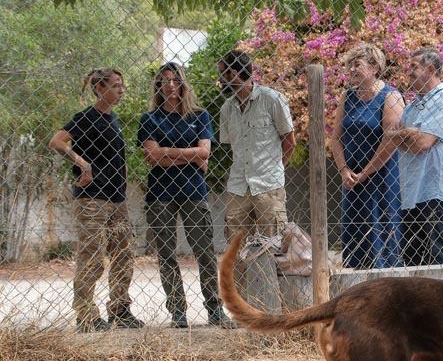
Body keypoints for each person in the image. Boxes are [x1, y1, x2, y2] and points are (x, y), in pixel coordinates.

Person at [138, 62, 235, 329]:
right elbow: (152, 157)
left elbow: (205, 152)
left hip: (194, 192)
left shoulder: (199, 116)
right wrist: (190, 156)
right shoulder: (150, 119)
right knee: (167, 255)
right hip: (160, 195)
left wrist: (167, 152)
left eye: (175, 80)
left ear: (183, 84)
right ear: (158, 85)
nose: (171, 85)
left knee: (204, 252)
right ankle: (178, 312)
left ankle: (214, 309)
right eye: (165, 80)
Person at [49, 68, 144, 333]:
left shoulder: (113, 119)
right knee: (91, 256)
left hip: (117, 198)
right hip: (92, 198)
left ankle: (120, 310)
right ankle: (86, 315)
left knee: (124, 254)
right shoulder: (86, 117)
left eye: (121, 85)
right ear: (100, 88)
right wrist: (81, 163)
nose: (121, 90)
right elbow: (56, 142)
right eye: (115, 85)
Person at [217, 49, 295, 312]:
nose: (220, 79)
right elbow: (232, 147)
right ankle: (244, 309)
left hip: (268, 186)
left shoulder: (272, 99)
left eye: (223, 73)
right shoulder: (227, 108)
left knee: (273, 247)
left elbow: (289, 141)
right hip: (238, 187)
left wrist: (275, 171)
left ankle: (275, 308)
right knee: (238, 250)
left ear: (235, 72)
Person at [376, 46, 443, 267]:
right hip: (410, 192)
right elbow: (392, 138)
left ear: (430, 70)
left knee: (438, 260)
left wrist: (402, 136)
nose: (408, 72)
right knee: (413, 262)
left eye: (414, 67)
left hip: (433, 191)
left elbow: (422, 144)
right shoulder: (412, 107)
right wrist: (407, 134)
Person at [330, 42, 404, 269]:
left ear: (374, 67)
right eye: (350, 65)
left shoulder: (390, 96)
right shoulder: (347, 97)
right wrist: (344, 170)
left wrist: (366, 172)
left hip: (381, 179)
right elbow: (336, 138)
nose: (351, 70)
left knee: (381, 236)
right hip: (351, 180)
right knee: (355, 239)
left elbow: (390, 141)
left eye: (357, 65)